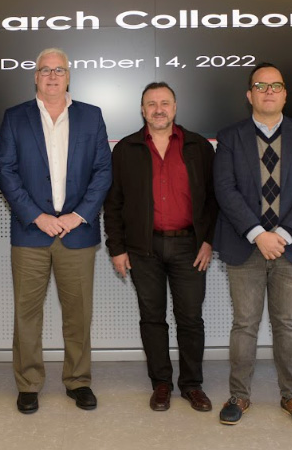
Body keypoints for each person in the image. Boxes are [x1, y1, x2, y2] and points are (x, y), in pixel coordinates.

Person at [0, 48, 112, 413]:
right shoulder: (15, 117)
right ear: (35, 76)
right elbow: (6, 172)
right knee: (27, 313)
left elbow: (103, 172)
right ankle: (28, 383)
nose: (51, 76)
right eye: (45, 70)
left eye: (58, 70)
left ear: (68, 75)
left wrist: (79, 215)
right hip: (31, 232)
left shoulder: (91, 116)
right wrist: (37, 216)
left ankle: (78, 381)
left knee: (78, 313)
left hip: (77, 232)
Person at [213, 62, 292, 427]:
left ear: (285, 94)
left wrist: (284, 234)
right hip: (245, 245)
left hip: (290, 247)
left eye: (275, 86)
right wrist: (258, 234)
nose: (269, 92)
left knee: (286, 324)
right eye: (261, 86)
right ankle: (239, 396)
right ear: (250, 95)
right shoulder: (230, 137)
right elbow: (225, 189)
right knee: (244, 324)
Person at [104, 82, 219, 413]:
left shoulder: (198, 146)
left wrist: (209, 240)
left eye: (165, 103)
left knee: (190, 318)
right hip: (144, 248)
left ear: (175, 107)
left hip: (190, 246)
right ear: (142, 110)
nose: (158, 109)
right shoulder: (126, 149)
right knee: (152, 318)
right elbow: (113, 204)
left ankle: (192, 385)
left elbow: (214, 199)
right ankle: (161, 384)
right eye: (151, 104)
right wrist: (117, 248)